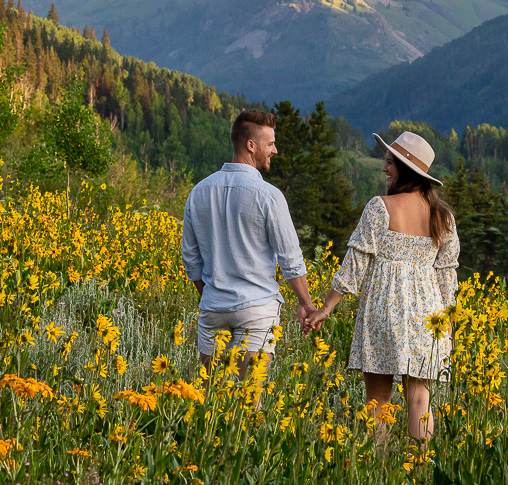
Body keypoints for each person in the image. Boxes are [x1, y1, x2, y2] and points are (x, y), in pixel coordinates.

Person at [307, 130, 459, 442]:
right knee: (420, 400)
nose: (383, 168)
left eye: (389, 163)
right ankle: (419, 469)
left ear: (405, 169)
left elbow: (355, 263)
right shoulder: (444, 216)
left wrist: (326, 308)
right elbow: (447, 279)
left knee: (377, 401)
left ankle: (377, 472)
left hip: (384, 310)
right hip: (429, 317)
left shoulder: (380, 207)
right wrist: (446, 327)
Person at [181, 109, 316, 389]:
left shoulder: (199, 192)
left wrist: (211, 294)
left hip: (213, 308)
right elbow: (290, 259)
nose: (275, 150)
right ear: (250, 145)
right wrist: (305, 303)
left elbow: (190, 259)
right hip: (257, 309)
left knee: (210, 399)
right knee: (249, 400)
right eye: (270, 144)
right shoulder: (268, 196)